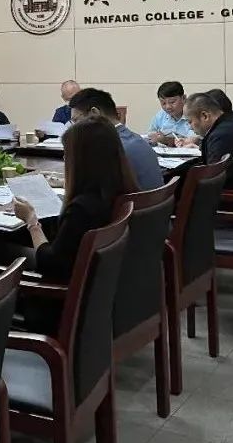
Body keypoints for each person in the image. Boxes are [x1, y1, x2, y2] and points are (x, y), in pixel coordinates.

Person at [13, 116, 138, 334]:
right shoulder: (123, 191)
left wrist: (32, 221)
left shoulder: (82, 209)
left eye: (66, 155)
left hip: (62, 309)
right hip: (105, 298)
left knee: (0, 252)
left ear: (81, 161)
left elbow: (51, 263)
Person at [69, 88, 163, 190]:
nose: (74, 127)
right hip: (152, 199)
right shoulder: (138, 140)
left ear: (95, 113)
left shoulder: (107, 148)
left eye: (76, 120)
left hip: (129, 200)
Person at [147, 81, 193, 146]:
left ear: (184, 98)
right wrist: (154, 138)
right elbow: (150, 135)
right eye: (163, 103)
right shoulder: (161, 115)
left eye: (172, 102)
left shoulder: (193, 114)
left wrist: (167, 140)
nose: (168, 107)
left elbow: (194, 140)